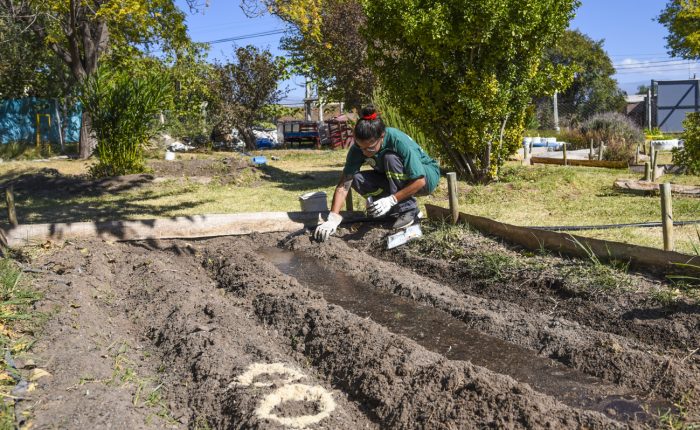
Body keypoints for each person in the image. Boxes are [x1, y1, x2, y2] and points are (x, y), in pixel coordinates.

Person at [314, 106, 440, 242]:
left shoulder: (396, 140)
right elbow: (344, 186)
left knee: (389, 158)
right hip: (393, 179)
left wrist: (391, 200)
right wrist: (332, 218)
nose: (364, 152)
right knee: (356, 178)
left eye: (370, 148)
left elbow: (420, 181)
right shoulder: (359, 149)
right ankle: (391, 213)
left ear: (382, 136)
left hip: (426, 178)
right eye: (361, 147)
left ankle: (408, 210)